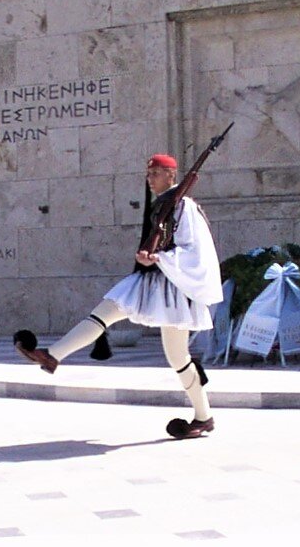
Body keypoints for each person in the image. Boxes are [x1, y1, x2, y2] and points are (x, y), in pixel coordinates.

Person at [14, 153, 223, 439]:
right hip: (152, 281)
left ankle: (204, 416)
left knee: (178, 357)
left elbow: (195, 252)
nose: (150, 179)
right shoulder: (164, 204)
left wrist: (159, 258)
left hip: (172, 286)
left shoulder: (184, 206)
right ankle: (52, 355)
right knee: (106, 310)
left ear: (172, 176)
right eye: (149, 174)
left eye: (156, 174)